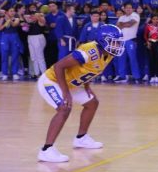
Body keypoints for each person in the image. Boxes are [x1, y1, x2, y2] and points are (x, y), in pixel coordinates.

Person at [36, 24, 124, 163]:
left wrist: (87, 85)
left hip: (71, 83)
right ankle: (46, 150)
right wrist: (65, 92)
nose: (118, 45)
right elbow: (59, 66)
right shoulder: (88, 51)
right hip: (52, 81)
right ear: (103, 40)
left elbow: (91, 70)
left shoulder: (109, 54)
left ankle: (81, 138)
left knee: (92, 102)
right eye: (115, 42)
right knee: (64, 108)